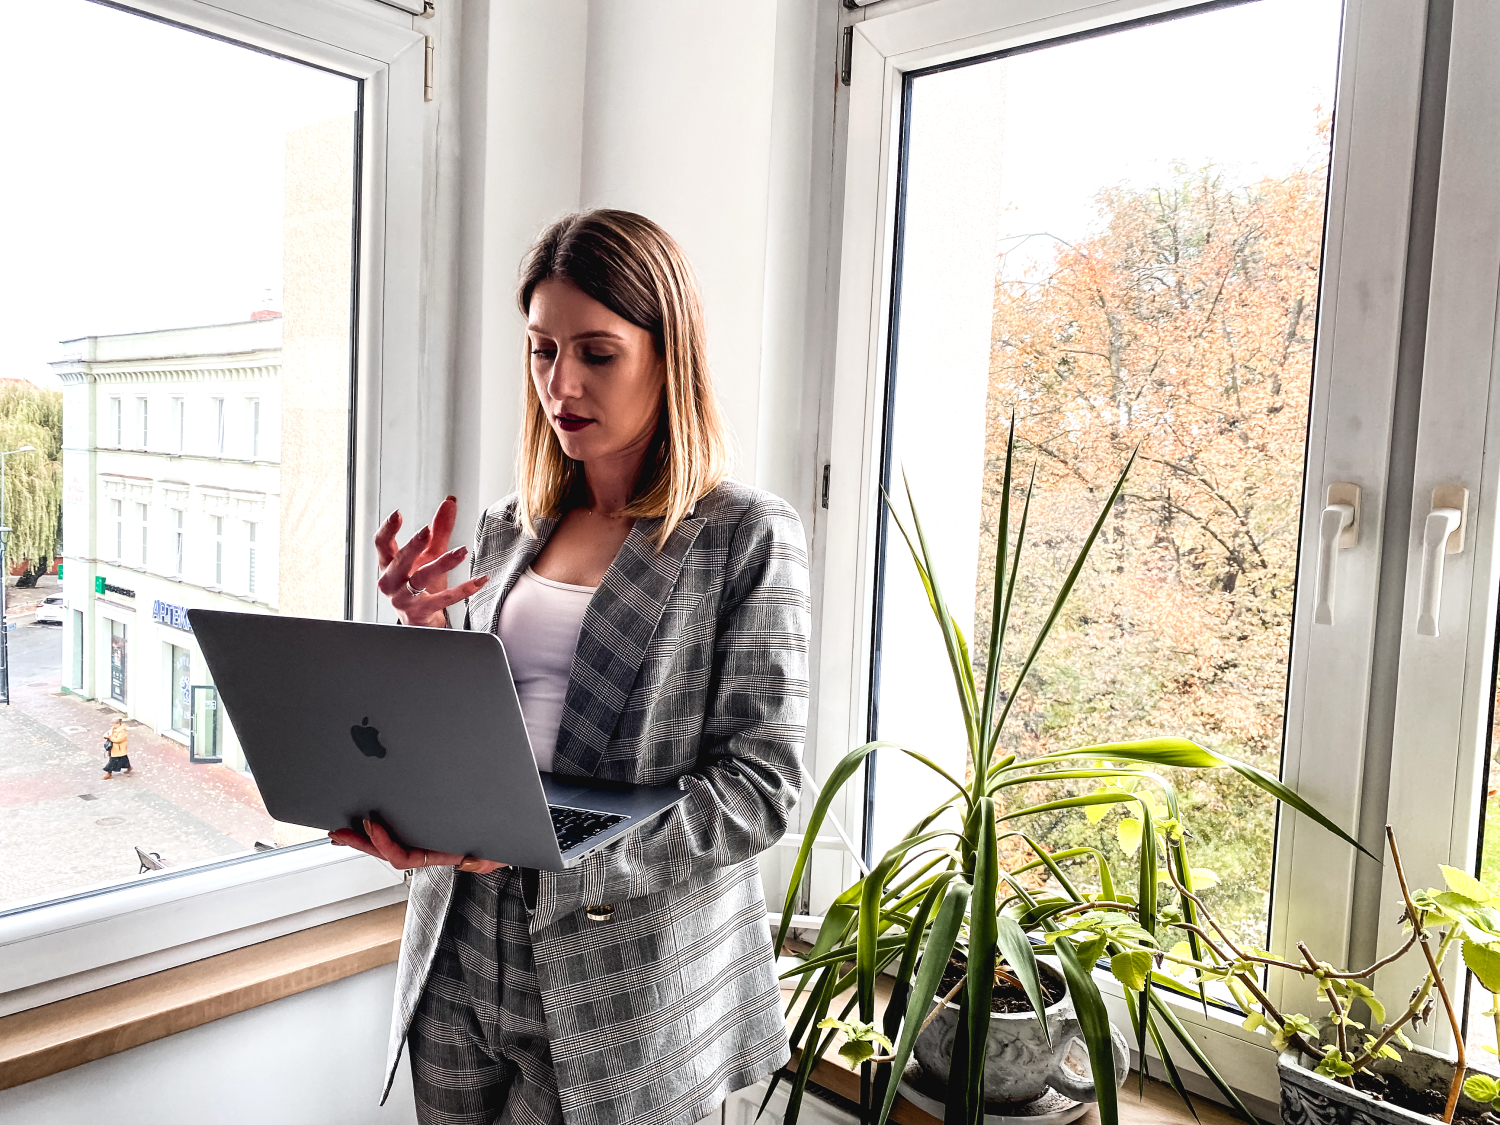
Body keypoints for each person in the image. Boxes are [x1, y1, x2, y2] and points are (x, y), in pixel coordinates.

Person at [329, 210, 810, 1125]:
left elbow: (763, 786)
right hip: (460, 945)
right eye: (542, 350)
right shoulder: (513, 525)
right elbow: (497, 734)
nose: (561, 382)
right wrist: (431, 637)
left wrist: (561, 854)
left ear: (668, 354)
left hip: (627, 984)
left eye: (597, 352)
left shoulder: (743, 534)